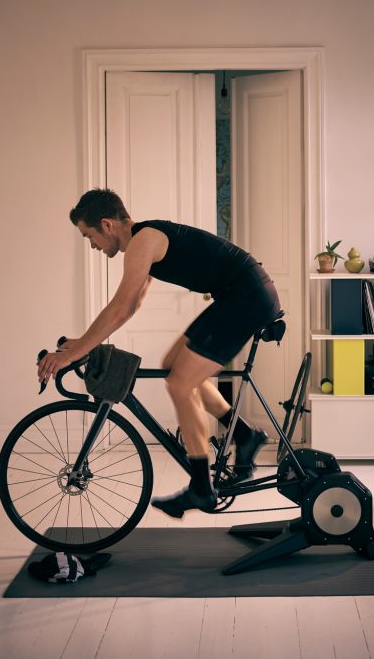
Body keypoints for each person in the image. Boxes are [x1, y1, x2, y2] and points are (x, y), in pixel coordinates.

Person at [37, 188, 281, 518]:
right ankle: (244, 435)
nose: (92, 246)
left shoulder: (143, 242)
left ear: (107, 225)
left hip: (246, 296)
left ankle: (201, 489)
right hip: (239, 293)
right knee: (172, 367)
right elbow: (132, 304)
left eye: (89, 236)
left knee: (180, 383)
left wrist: (72, 354)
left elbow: (120, 308)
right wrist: (83, 341)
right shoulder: (144, 240)